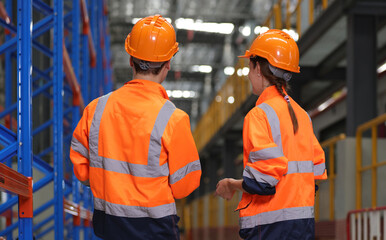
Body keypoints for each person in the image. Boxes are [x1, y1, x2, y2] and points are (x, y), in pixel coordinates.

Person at [70, 15, 201, 239]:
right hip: (155, 230)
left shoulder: (96, 110)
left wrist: (111, 185)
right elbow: (184, 186)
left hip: (108, 226)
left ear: (131, 60)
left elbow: (81, 170)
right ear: (168, 63)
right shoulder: (174, 119)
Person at [215, 29, 327, 239]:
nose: (248, 75)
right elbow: (315, 173)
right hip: (303, 227)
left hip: (269, 227)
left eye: (249, 67)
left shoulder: (258, 115)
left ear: (258, 68)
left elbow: (262, 183)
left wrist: (230, 184)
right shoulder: (303, 115)